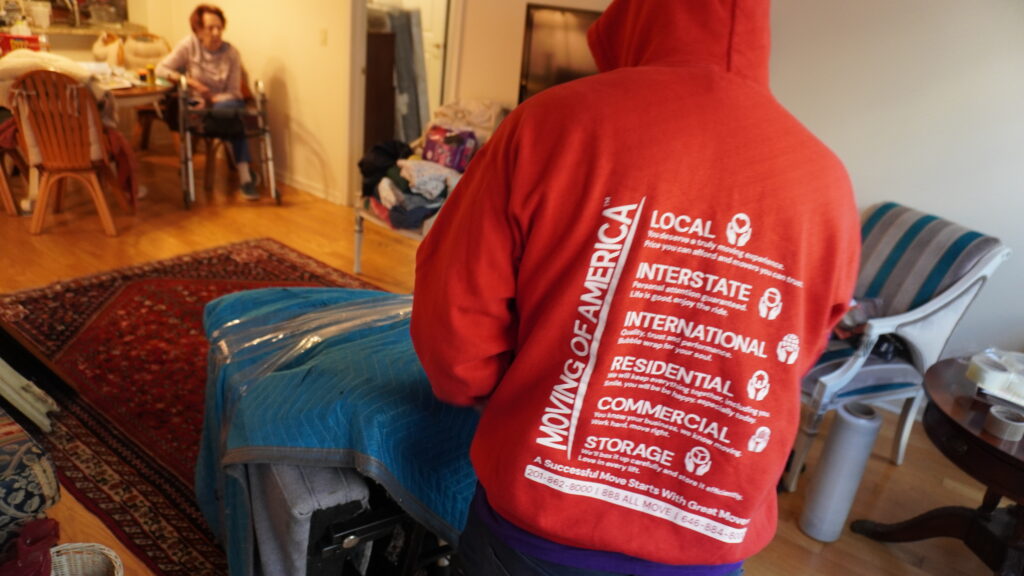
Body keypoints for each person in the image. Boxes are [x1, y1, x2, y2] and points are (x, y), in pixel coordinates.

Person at [410, 0, 862, 574]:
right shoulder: (825, 181)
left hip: (540, 523)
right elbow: (793, 353)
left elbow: (455, 323)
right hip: (708, 533)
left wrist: (508, 399)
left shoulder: (551, 124)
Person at [156, 3, 258, 200]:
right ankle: (246, 177)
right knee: (232, 120)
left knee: (228, 111)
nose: (217, 32)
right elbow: (161, 69)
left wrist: (214, 101)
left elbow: (235, 92)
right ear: (198, 30)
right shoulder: (189, 45)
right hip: (199, 105)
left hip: (224, 104)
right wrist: (190, 81)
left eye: (219, 27)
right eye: (211, 28)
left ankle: (244, 177)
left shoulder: (232, 54)